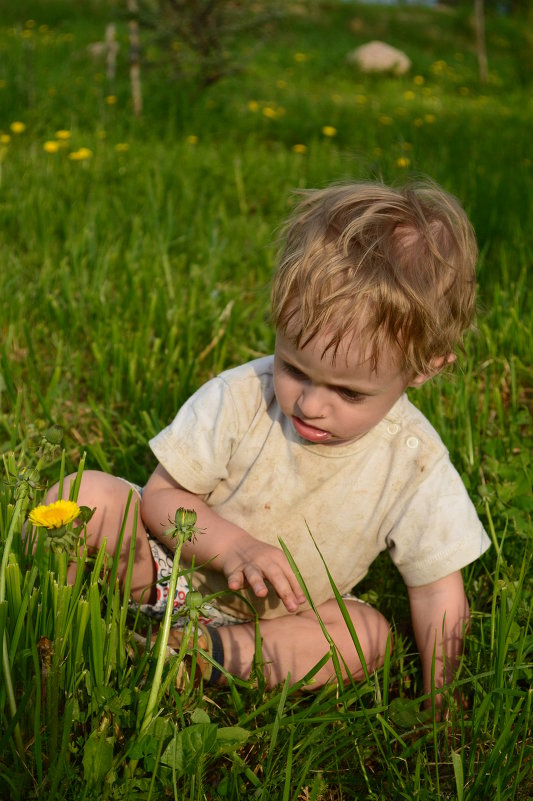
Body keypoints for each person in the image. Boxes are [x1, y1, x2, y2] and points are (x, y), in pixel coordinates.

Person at [47, 179, 491, 700]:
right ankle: (53, 625)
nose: (309, 403)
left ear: (424, 369)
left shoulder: (415, 461)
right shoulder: (243, 397)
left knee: (366, 638)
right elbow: (163, 498)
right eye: (294, 368)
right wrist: (233, 547)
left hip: (284, 623)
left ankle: (194, 658)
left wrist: (443, 695)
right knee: (86, 498)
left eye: (348, 392)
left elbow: (437, 587)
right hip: (172, 575)